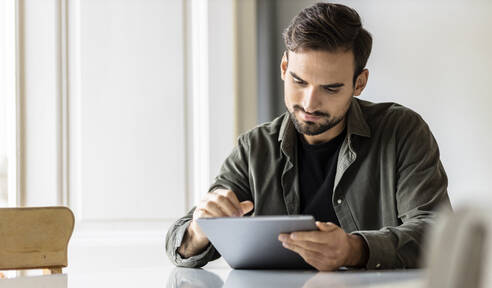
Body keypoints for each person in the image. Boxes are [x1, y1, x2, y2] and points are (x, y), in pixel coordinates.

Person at [165, 2, 451, 271]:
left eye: (331, 88)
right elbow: (178, 242)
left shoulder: (402, 131)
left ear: (359, 83)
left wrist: (355, 249)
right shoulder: (254, 148)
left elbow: (440, 233)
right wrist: (199, 230)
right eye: (299, 82)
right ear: (284, 68)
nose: (310, 103)